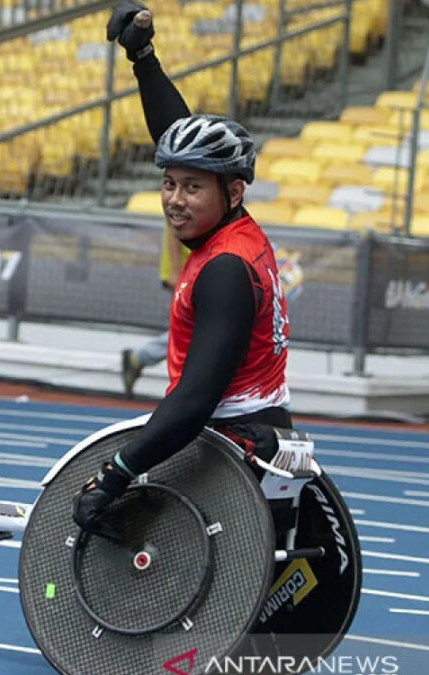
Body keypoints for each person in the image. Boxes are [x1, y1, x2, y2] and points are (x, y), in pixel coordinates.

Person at [74, 1, 291, 539]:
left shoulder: (225, 269)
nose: (175, 199)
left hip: (233, 452)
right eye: (168, 184)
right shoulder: (233, 231)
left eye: (191, 188)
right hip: (257, 435)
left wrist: (114, 474)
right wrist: (143, 58)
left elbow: (194, 401)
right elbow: (180, 136)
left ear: (233, 192)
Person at [120, 228, 186, 398]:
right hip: (187, 272)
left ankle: (139, 357)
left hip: (194, 269)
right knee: (191, 330)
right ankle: (140, 357)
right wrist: (175, 269)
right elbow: (176, 227)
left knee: (191, 330)